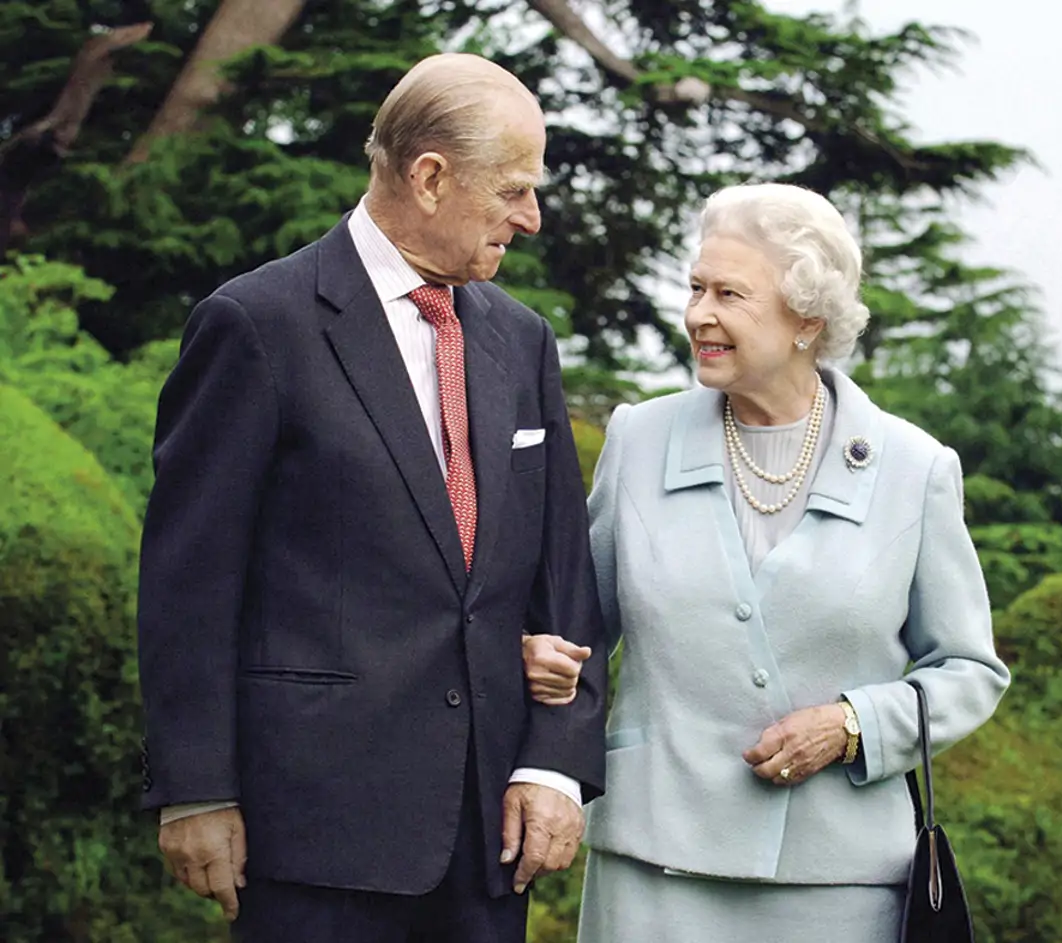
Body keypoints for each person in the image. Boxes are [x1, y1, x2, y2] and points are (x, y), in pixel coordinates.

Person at [136, 53, 606, 943]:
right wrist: (195, 787)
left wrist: (556, 765)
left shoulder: (521, 339)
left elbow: (562, 577)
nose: (532, 218)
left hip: (487, 840)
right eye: (514, 189)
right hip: (313, 834)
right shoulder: (255, 324)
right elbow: (187, 584)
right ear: (430, 177)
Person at [522, 183, 1011, 942]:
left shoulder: (913, 468)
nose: (698, 314)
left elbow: (968, 669)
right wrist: (538, 649)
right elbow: (576, 624)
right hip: (654, 868)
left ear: (807, 320)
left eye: (729, 294)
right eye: (694, 287)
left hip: (840, 883)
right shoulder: (639, 440)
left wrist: (853, 724)